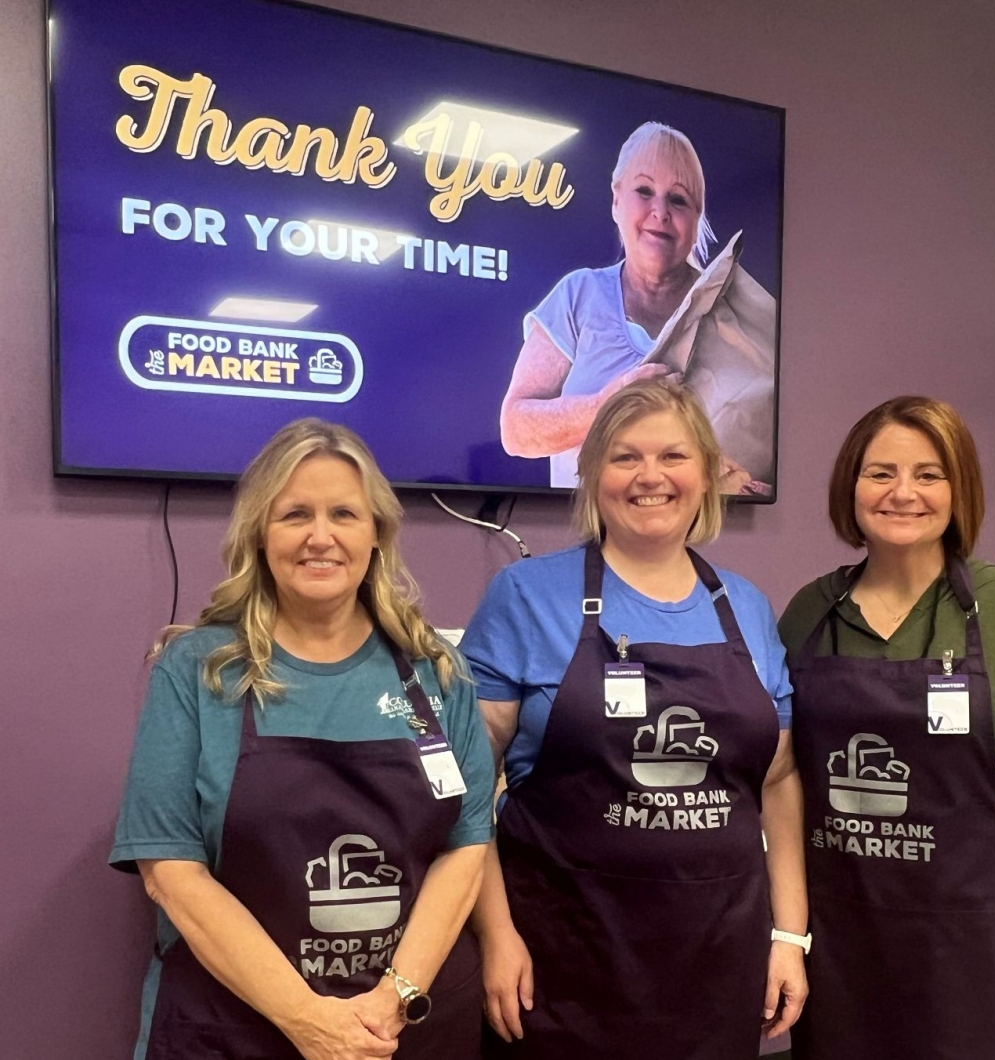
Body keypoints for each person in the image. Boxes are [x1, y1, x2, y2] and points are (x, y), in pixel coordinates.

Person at [110, 418, 495, 1060]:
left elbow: (466, 845)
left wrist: (389, 1001)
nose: (321, 537)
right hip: (235, 1027)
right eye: (295, 515)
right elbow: (171, 872)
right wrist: (309, 1021)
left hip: (403, 1030)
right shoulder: (199, 670)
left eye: (344, 513)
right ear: (261, 535)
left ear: (376, 534)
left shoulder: (436, 670)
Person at [462, 379, 807, 1059]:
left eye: (673, 456)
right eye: (625, 457)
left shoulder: (747, 608)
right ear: (592, 476)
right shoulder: (526, 597)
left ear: (706, 474)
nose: (651, 476)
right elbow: (468, 786)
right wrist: (495, 935)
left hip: (716, 960)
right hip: (559, 958)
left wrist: (790, 936)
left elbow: (779, 779)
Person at [778, 396, 995, 1060]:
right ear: (850, 485)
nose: (903, 492)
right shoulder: (810, 615)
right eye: (880, 473)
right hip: (843, 949)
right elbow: (777, 770)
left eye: (929, 474)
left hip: (982, 954)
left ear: (959, 489)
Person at [499, 121, 777, 494]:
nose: (660, 211)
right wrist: (605, 405)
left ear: (697, 217)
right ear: (616, 200)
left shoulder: (740, 310)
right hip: (589, 538)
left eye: (678, 199)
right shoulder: (577, 296)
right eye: (644, 190)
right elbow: (515, 430)